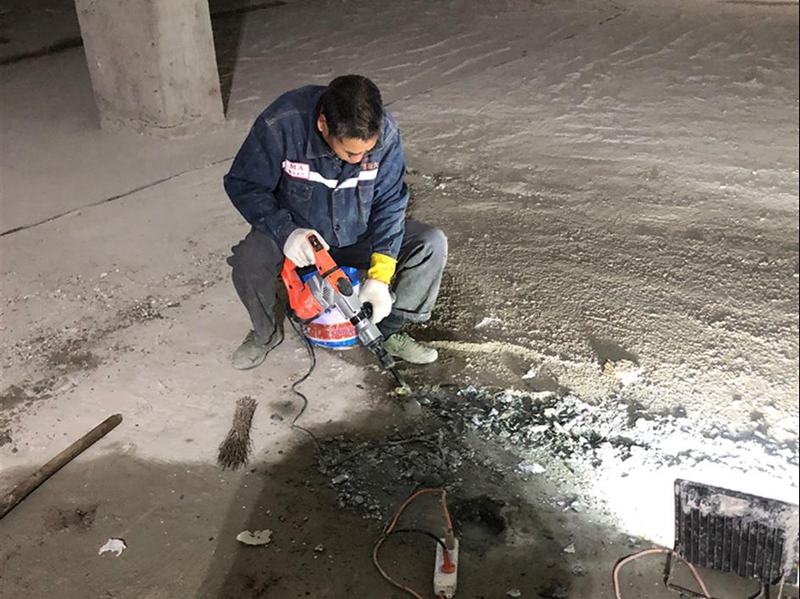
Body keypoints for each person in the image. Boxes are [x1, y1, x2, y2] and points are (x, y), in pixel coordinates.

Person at [224, 74, 447, 370]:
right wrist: (286, 232)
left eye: (367, 151)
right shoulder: (281, 124)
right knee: (249, 260)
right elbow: (243, 184)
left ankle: (387, 332)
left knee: (431, 244)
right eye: (351, 152)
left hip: (358, 233)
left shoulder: (387, 133)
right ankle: (265, 334)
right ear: (322, 125)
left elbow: (390, 204)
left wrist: (380, 277)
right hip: (300, 240)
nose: (359, 159)